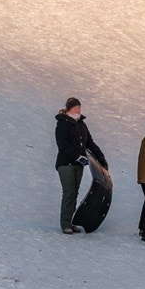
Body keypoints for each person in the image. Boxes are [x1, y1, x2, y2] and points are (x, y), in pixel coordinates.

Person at [54, 97, 107, 234]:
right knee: (69, 192)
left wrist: (101, 158)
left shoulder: (81, 124)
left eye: (79, 107)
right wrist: (78, 156)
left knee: (74, 193)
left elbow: (90, 143)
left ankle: (70, 222)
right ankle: (65, 223)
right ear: (69, 108)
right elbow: (63, 144)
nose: (78, 110)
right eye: (75, 108)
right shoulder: (62, 123)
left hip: (79, 164)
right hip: (65, 164)